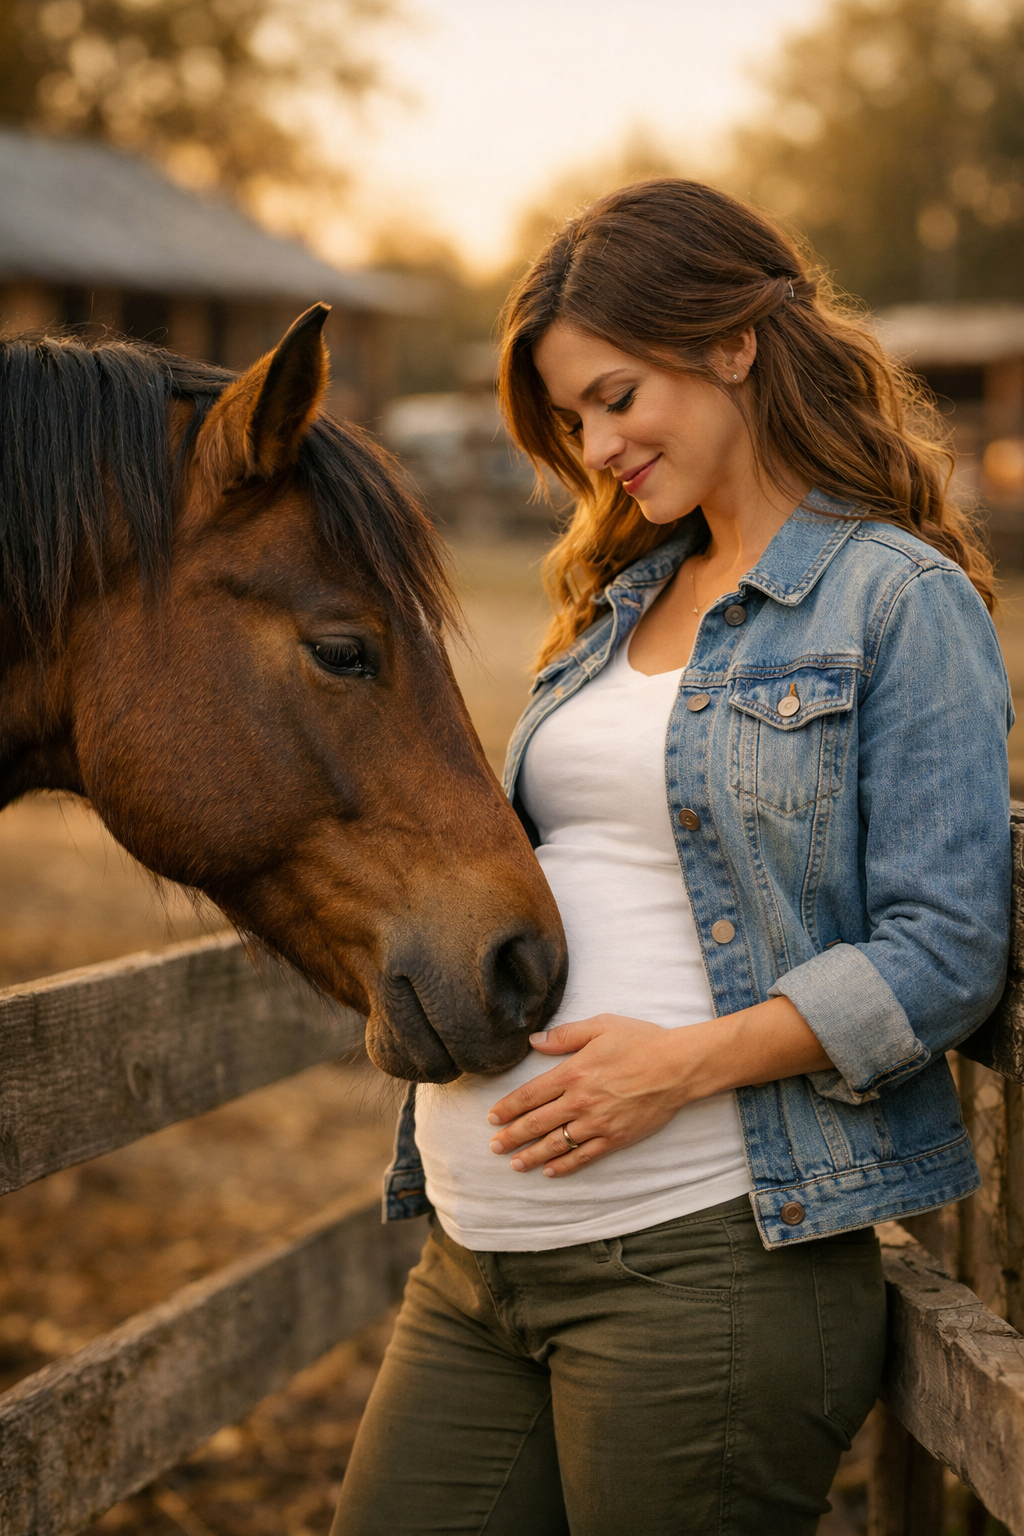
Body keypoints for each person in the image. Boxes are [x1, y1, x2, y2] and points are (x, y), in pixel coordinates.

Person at [331, 179, 1012, 1535]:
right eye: (574, 419)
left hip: (710, 1264)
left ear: (733, 343)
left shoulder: (897, 598)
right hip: (476, 1263)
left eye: (616, 396)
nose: (598, 447)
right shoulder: (615, 603)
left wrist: (680, 1067)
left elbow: (947, 949)